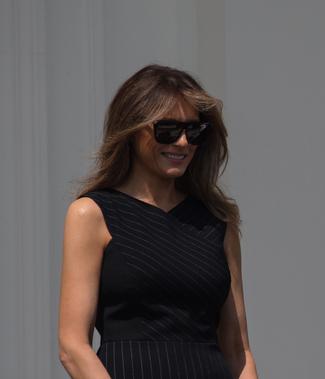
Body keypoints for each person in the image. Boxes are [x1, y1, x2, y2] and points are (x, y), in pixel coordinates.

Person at [58, 65, 258, 379]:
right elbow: (72, 346)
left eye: (194, 131)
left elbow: (237, 348)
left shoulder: (218, 221)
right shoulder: (92, 214)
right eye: (167, 130)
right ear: (132, 129)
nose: (182, 142)